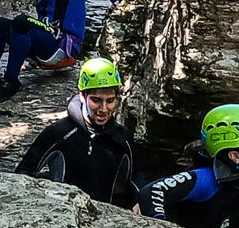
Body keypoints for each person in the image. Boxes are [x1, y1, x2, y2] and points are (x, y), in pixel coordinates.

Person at [15, 57, 144, 207]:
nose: (103, 109)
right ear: (82, 96)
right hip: (61, 217)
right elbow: (24, 172)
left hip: (105, 220)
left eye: (110, 101)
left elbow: (135, 178)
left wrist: (140, 201)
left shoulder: (122, 138)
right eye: (96, 100)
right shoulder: (60, 133)